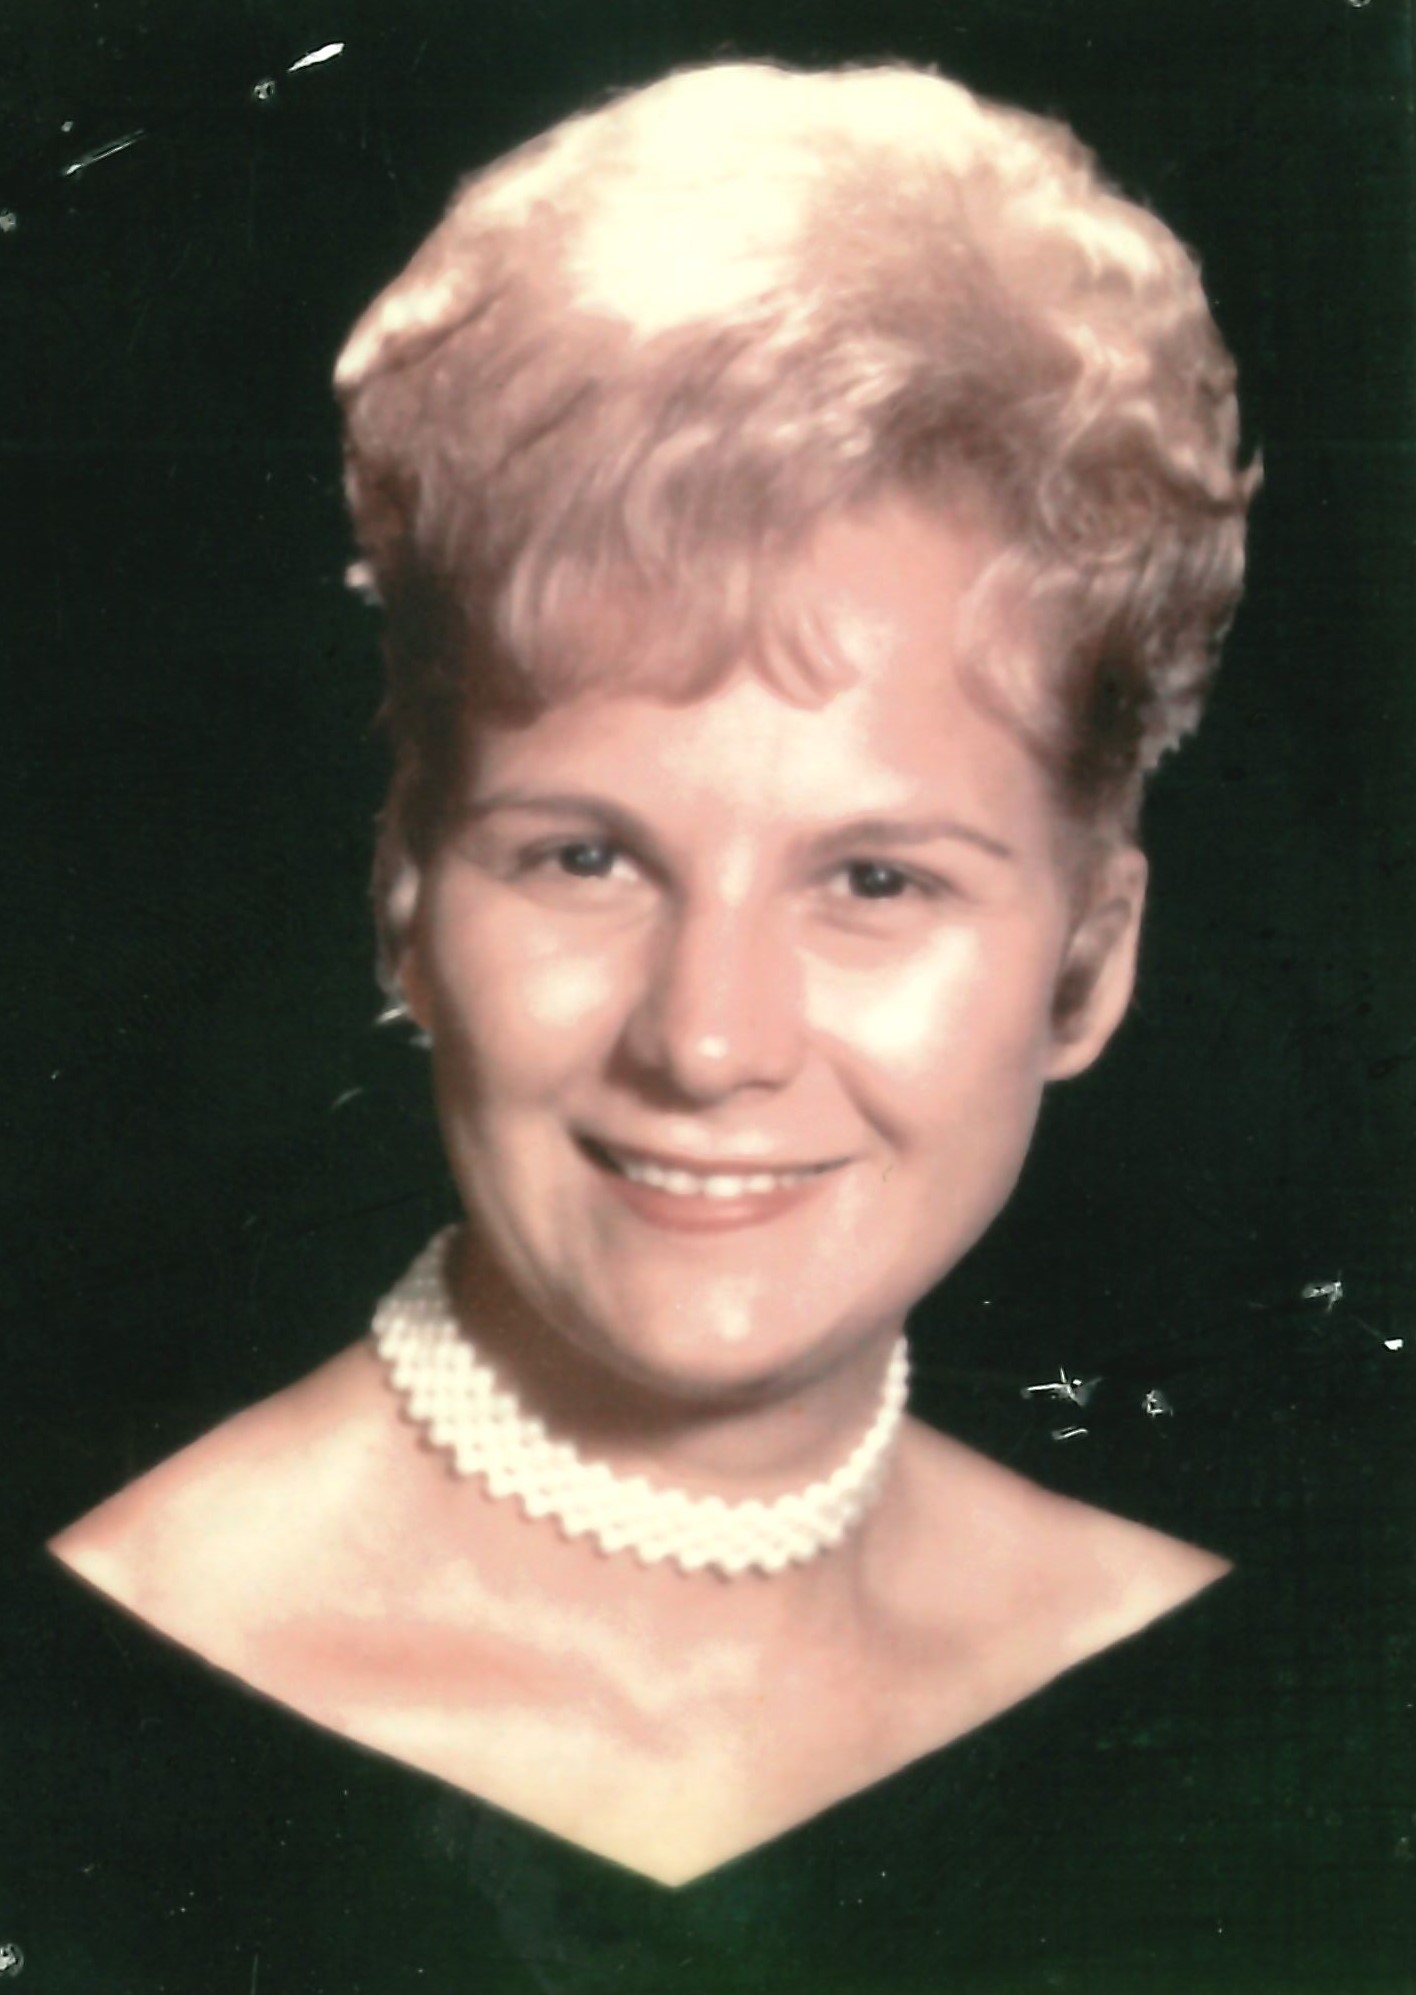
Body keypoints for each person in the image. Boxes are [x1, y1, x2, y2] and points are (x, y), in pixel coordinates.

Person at [22, 54, 1364, 1991]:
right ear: (405, 899)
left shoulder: (1286, 1727)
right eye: (585, 858)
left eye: (876, 879)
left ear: (1090, 958)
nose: (711, 1039)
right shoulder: (66, 1724)